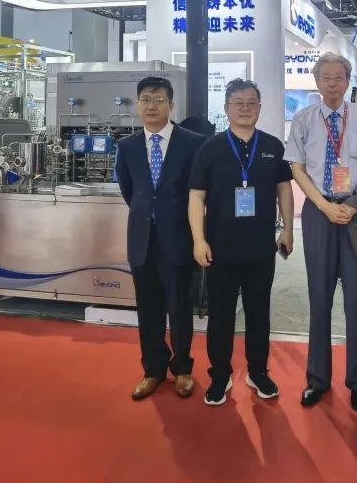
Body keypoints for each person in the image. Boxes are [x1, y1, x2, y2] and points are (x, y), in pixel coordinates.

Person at [284, 52, 357, 411]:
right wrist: (324, 206)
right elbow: (296, 168)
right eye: (325, 78)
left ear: (348, 81)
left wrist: (355, 205)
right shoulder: (303, 119)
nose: (331, 83)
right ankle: (317, 379)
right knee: (319, 297)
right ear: (316, 82)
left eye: (338, 77)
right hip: (318, 212)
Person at [189, 79, 295, 406]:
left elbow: (284, 190)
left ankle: (258, 372)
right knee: (220, 316)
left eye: (251, 103)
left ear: (260, 108)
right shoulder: (210, 148)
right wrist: (199, 240)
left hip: (261, 248)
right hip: (220, 248)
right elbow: (196, 196)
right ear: (226, 109)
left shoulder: (273, 146)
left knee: (259, 314)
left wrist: (288, 229)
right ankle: (219, 376)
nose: (245, 108)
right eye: (238, 103)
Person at [115, 76, 206, 401]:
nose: (151, 106)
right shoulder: (127, 146)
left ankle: (182, 369)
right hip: (142, 238)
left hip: (178, 237)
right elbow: (129, 190)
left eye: (158, 100)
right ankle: (153, 369)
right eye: (145, 100)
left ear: (171, 105)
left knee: (180, 305)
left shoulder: (192, 143)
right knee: (148, 307)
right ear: (138, 104)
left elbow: (199, 190)